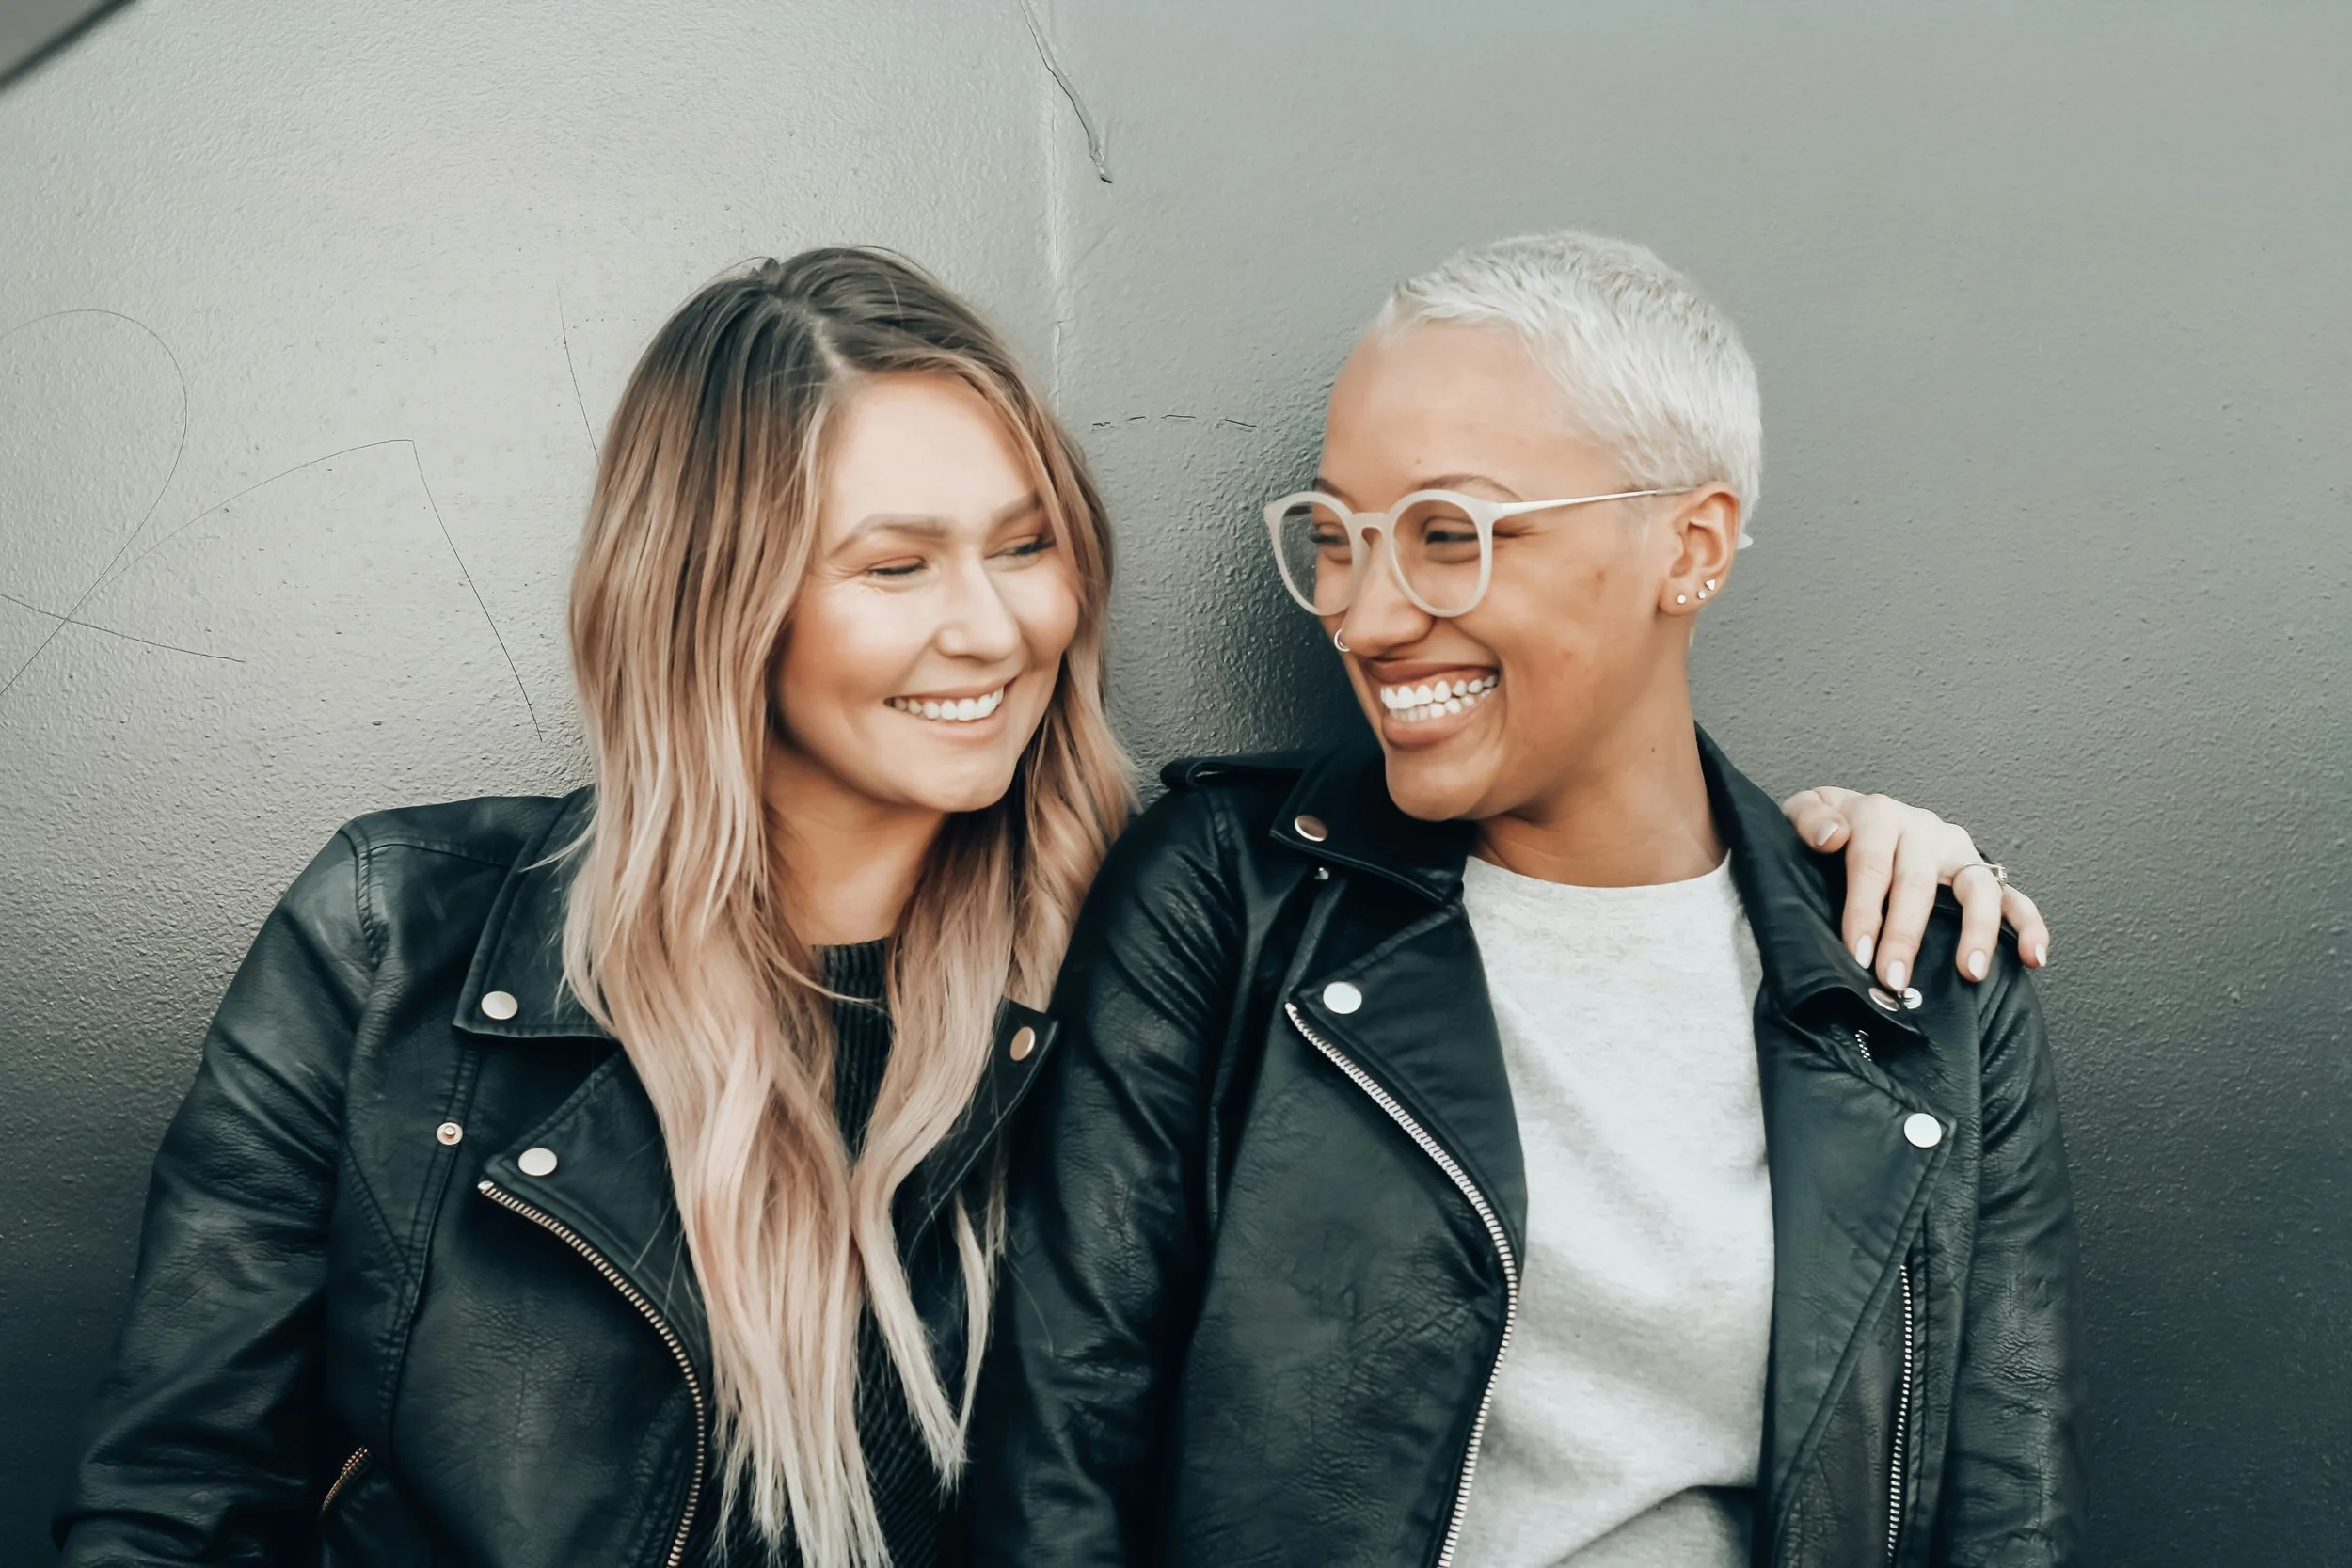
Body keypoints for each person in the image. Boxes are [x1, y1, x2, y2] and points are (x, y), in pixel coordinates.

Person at [56, 246, 2036, 1568]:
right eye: (893, 563)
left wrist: (1826, 851)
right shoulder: (405, 935)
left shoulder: (1166, 937)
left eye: (1022, 545)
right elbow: (174, 1493)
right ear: (716, 595)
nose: (989, 625)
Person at [970, 231, 2081, 1567]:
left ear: (1692, 545)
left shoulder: (1922, 988)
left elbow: (2006, 1520)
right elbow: (1059, 1473)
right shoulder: (1227, 898)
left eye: (1450, 534)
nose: (1367, 617)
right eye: (1338, 537)